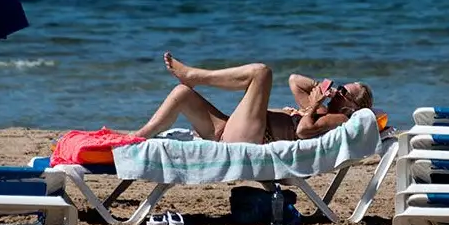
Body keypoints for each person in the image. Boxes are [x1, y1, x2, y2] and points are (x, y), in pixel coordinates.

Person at [131, 53, 374, 143]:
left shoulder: (340, 118)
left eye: (344, 92)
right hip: (232, 130)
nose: (339, 91)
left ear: (352, 107)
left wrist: (314, 105)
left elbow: (302, 131)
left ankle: (195, 75)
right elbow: (294, 80)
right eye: (341, 87)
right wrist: (319, 89)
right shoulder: (322, 109)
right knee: (182, 93)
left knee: (262, 73)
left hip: (254, 137)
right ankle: (139, 136)